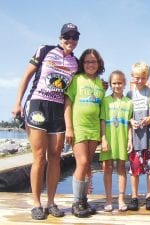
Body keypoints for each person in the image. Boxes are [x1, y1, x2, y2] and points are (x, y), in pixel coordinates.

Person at [11, 23, 80, 220]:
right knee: (40, 157)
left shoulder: (76, 62)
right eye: (67, 36)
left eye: (75, 37)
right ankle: (36, 203)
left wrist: (103, 83)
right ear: (60, 38)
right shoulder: (45, 50)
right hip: (37, 105)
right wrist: (17, 102)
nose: (71, 40)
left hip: (58, 110)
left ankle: (51, 202)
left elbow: (84, 80)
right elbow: (26, 76)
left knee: (55, 157)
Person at [64, 48, 105, 217]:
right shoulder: (76, 80)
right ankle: (76, 201)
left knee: (88, 164)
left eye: (93, 62)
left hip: (93, 129)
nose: (90, 64)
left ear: (99, 64)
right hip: (79, 127)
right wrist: (69, 128)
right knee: (82, 162)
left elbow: (101, 108)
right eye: (87, 61)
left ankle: (83, 200)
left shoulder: (100, 84)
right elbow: (67, 104)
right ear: (82, 63)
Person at [100, 70, 133, 212]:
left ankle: (120, 199)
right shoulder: (105, 101)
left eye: (120, 83)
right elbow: (102, 121)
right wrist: (103, 139)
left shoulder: (128, 102)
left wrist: (130, 140)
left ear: (124, 84)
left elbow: (130, 124)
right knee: (107, 167)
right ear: (110, 84)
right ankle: (108, 199)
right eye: (114, 83)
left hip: (122, 138)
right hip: (109, 138)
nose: (117, 86)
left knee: (121, 168)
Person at [126, 62, 150, 211]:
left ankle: (149, 196)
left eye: (143, 78)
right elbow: (126, 116)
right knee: (135, 169)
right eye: (137, 78)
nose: (140, 81)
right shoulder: (129, 95)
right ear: (132, 77)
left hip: (149, 137)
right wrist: (130, 121)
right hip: (135, 138)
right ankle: (134, 197)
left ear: (148, 77)